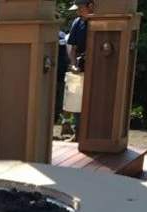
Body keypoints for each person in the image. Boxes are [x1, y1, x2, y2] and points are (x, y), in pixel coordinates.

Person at [66, 0, 95, 141]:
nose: (77, 12)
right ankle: (78, 133)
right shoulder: (77, 23)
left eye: (80, 9)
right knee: (76, 101)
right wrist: (72, 65)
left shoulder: (101, 21)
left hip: (97, 70)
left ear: (90, 6)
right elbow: (74, 49)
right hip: (80, 68)